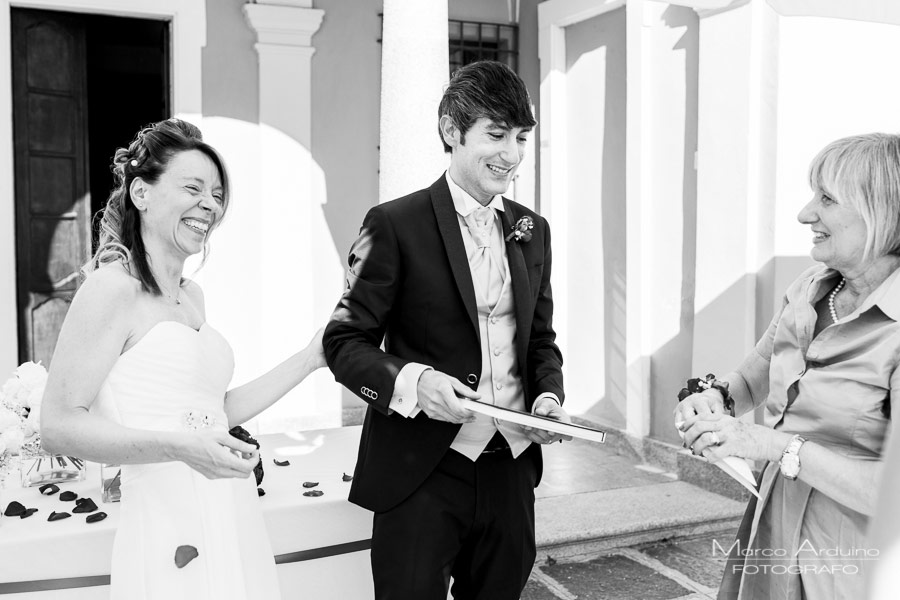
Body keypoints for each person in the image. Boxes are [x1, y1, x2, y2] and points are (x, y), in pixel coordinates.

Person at [40, 118, 325, 600]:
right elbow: (58, 426)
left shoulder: (194, 298)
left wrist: (310, 357)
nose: (209, 205)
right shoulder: (111, 288)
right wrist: (180, 448)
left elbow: (213, 414)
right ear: (141, 193)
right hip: (165, 518)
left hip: (230, 508)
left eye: (216, 194)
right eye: (192, 187)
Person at [323, 60, 570, 599]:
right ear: (452, 132)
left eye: (522, 138)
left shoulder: (534, 231)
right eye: (497, 134)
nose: (512, 154)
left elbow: (539, 340)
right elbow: (343, 341)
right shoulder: (393, 224)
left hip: (512, 468)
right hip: (422, 470)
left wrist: (548, 396)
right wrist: (413, 382)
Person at [675, 133, 900, 599]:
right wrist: (715, 399)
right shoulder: (810, 287)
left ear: (880, 211)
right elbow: (751, 378)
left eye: (827, 198)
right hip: (771, 526)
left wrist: (773, 445)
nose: (805, 213)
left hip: (853, 560)